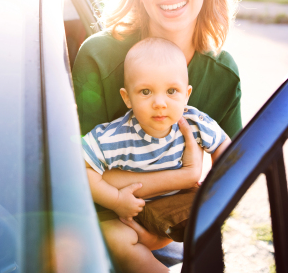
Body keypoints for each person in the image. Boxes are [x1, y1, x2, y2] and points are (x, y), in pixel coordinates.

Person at [72, 0, 241, 272]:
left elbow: (231, 177)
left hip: (183, 230)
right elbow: (88, 173)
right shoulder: (99, 57)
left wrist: (162, 237)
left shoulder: (224, 73)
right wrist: (184, 175)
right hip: (107, 231)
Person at [82, 38, 231, 250]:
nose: (160, 103)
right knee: (116, 238)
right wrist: (115, 200)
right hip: (132, 214)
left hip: (177, 211)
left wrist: (210, 187)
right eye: (146, 92)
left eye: (171, 91)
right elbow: (81, 169)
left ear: (186, 95)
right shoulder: (114, 137)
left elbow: (227, 150)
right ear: (127, 98)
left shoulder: (194, 123)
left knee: (207, 228)